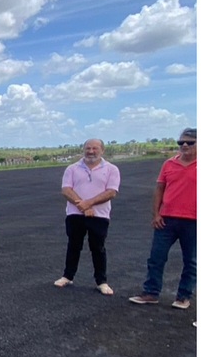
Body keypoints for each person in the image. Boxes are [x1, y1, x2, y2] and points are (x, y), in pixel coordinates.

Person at [129, 128, 197, 309]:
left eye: (190, 142)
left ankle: (183, 296)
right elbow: (159, 189)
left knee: (191, 261)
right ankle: (151, 293)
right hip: (167, 219)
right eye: (181, 142)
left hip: (194, 221)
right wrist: (156, 213)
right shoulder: (169, 164)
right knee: (156, 258)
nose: (184, 145)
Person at [54, 139, 120, 295]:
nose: (91, 151)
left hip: (100, 216)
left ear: (102, 150)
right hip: (75, 214)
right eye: (88, 148)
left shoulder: (111, 169)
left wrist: (88, 204)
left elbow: (111, 192)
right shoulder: (72, 168)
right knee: (74, 246)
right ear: (83, 149)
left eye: (95, 148)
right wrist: (82, 206)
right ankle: (67, 276)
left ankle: (101, 281)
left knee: (98, 248)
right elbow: (66, 190)